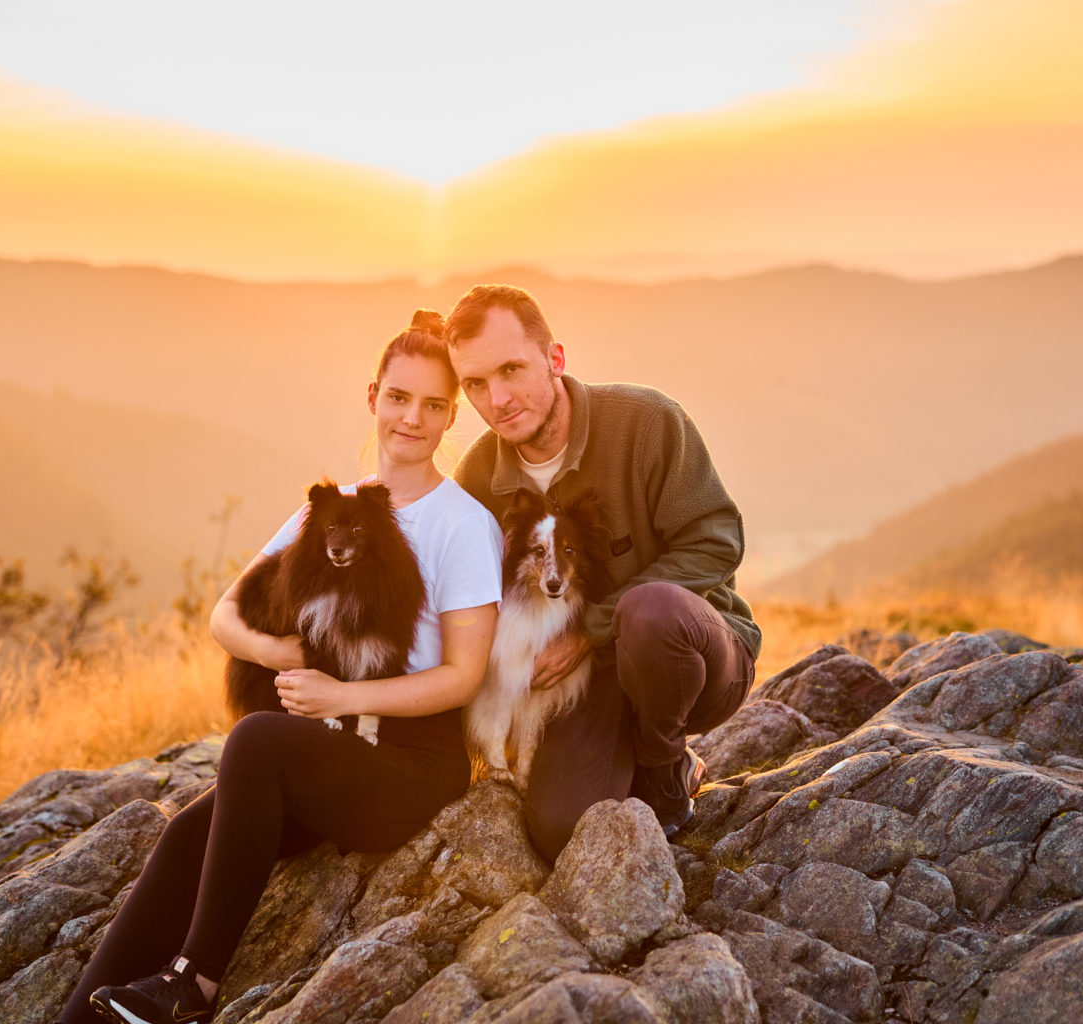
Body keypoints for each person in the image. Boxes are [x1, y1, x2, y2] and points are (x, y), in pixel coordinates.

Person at [58, 310, 503, 1024]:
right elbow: (224, 615)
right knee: (184, 836)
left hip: (411, 768)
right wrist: (280, 653)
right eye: (397, 397)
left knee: (255, 744)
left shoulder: (462, 525)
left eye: (431, 405)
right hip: (329, 755)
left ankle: (192, 987)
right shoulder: (331, 512)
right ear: (372, 398)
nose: (410, 419)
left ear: (452, 418)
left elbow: (463, 677)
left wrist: (342, 690)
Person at [445, 284, 761, 861]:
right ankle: (629, 760)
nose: (498, 398)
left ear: (555, 359)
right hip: (580, 688)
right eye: (476, 384)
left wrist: (591, 629)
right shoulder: (478, 478)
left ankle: (667, 765)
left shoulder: (646, 422)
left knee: (650, 612)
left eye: (512, 369)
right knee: (564, 828)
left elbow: (718, 542)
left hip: (689, 657)